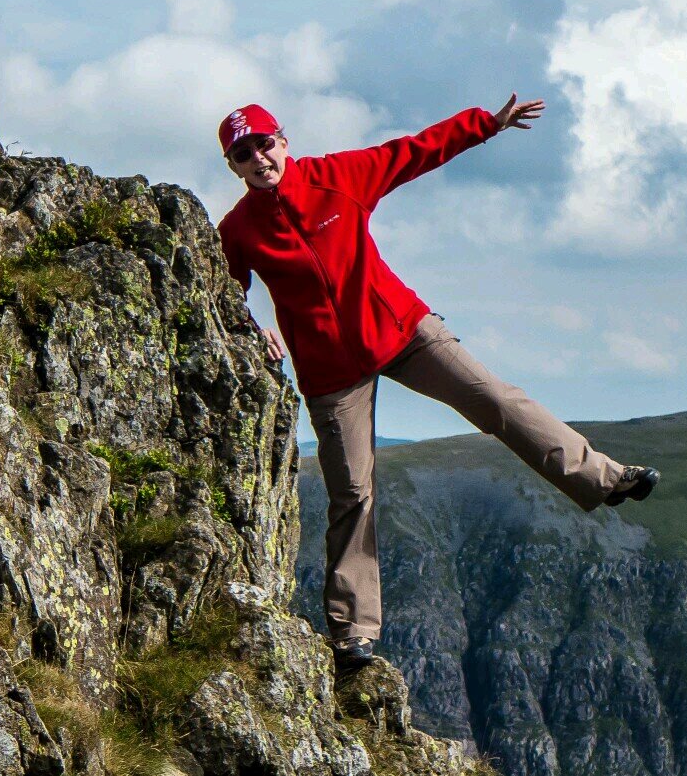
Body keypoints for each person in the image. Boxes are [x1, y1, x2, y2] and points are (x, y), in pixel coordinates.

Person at [215, 96, 660, 675]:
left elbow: (412, 153)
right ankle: (352, 636)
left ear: (284, 141)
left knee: (495, 400)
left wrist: (484, 125)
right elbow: (222, 292)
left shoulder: (339, 177)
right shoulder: (238, 229)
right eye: (243, 154)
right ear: (234, 166)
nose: (259, 158)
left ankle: (604, 478)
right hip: (329, 372)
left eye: (264, 144)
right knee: (353, 493)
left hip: (400, 329)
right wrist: (256, 329)